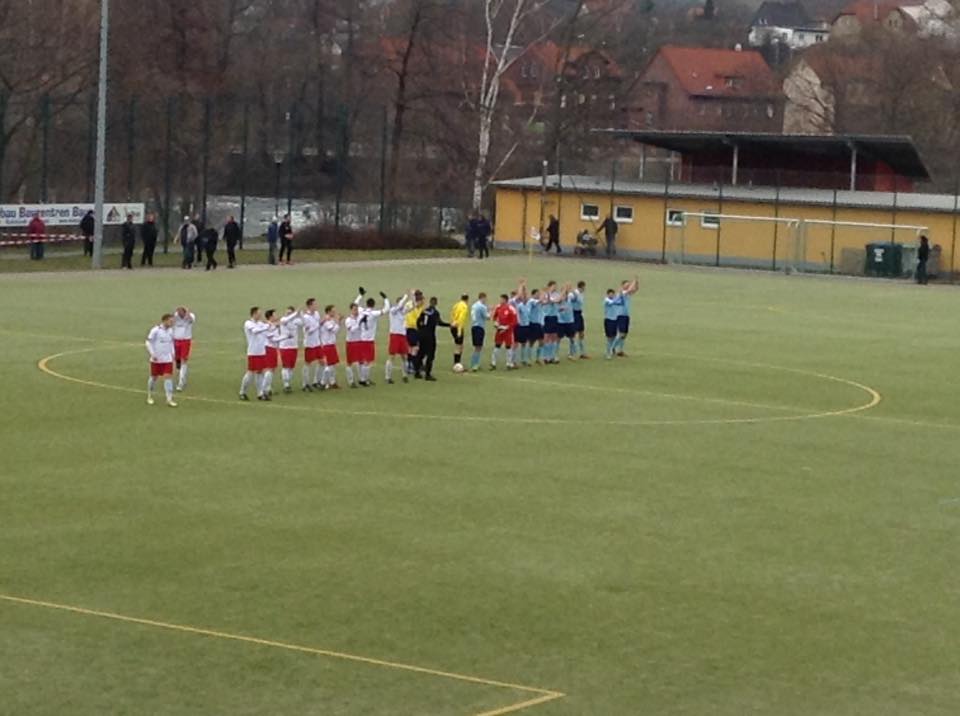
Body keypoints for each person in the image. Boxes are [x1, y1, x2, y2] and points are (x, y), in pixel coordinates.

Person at [356, 288, 389, 387]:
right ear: (373, 305)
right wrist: (386, 298)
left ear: (366, 304)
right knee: (368, 361)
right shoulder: (374, 313)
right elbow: (386, 310)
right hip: (369, 340)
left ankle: (362, 378)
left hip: (361, 339)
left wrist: (360, 295)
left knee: (362, 360)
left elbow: (355, 304)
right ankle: (365, 380)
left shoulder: (361, 310)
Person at [145, 313, 178, 407]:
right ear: (164, 321)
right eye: (170, 321)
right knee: (154, 377)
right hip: (156, 359)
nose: (172, 323)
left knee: (168, 378)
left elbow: (171, 342)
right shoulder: (156, 330)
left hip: (167, 359)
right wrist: (153, 354)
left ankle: (169, 399)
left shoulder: (171, 331)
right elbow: (148, 342)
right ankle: (149, 396)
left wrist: (173, 353)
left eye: (172, 321)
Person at [240, 307, 271, 401]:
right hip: (253, 352)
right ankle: (242, 392)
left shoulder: (260, 323)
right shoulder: (248, 323)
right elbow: (255, 331)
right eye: (259, 313)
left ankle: (260, 393)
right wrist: (267, 326)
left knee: (260, 372)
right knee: (250, 373)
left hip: (261, 351)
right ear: (254, 314)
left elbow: (266, 333)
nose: (260, 315)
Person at [416, 296, 450, 381]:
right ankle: (427, 374)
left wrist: (420, 330)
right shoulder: (435, 313)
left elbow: (418, 322)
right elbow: (439, 323)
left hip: (422, 335)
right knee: (430, 355)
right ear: (436, 303)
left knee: (420, 353)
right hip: (430, 336)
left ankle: (417, 372)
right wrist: (449, 325)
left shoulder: (423, 311)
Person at [387, 291, 414, 384]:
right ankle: (388, 377)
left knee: (404, 357)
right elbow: (400, 305)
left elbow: (412, 307)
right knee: (392, 356)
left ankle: (404, 375)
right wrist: (406, 296)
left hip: (402, 336)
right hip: (394, 335)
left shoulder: (403, 312)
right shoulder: (393, 310)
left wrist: (412, 296)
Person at [490, 294, 518, 370]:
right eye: (500, 299)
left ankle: (509, 363)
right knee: (497, 346)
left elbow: (515, 321)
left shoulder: (511, 308)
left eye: (501, 299)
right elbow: (495, 317)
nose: (500, 301)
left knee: (508, 347)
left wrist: (507, 327)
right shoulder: (498, 307)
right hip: (499, 330)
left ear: (505, 300)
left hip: (508, 331)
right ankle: (493, 363)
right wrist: (496, 323)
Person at [279, 306, 302, 393]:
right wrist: (295, 313)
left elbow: (304, 323)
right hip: (285, 347)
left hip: (294, 346)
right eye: (287, 313)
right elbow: (286, 320)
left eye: (290, 313)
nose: (288, 314)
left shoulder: (296, 321)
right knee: (285, 366)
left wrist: (301, 314)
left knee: (291, 367)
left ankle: (288, 383)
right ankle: (286, 384)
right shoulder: (283, 320)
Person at [614, 276, 639, 357]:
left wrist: (637, 282)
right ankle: (612, 348)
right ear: (622, 285)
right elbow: (630, 290)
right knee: (621, 333)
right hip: (620, 315)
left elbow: (634, 290)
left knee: (624, 334)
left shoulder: (627, 294)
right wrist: (634, 281)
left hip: (626, 315)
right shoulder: (621, 292)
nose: (628, 286)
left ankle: (620, 351)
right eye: (626, 285)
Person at [301, 298, 323, 391]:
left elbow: (317, 325)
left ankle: (316, 381)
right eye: (314, 304)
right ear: (309, 306)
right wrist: (318, 324)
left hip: (317, 342)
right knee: (308, 363)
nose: (316, 306)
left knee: (322, 361)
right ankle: (305, 384)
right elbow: (308, 331)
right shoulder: (305, 317)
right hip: (309, 343)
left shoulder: (317, 314)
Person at [172, 306, 196, 392]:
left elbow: (191, 319)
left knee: (184, 360)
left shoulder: (190, 316)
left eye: (181, 313)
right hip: (176, 340)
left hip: (185, 340)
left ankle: (180, 383)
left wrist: (187, 313)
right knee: (177, 361)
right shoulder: (176, 316)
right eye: (178, 313)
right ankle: (182, 376)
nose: (179, 315)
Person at [320, 306, 342, 390]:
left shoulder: (331, 320)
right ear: (328, 312)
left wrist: (337, 322)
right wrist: (339, 321)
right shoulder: (327, 321)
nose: (334, 313)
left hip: (332, 345)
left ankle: (332, 382)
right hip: (327, 346)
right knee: (328, 366)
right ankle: (323, 383)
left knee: (333, 365)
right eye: (333, 311)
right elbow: (333, 330)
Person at [405, 290, 426, 378]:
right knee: (414, 348)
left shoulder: (421, 305)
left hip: (417, 329)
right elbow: (412, 307)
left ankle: (416, 364)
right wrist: (413, 297)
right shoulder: (410, 304)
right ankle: (411, 365)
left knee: (416, 348)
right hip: (410, 328)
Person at [344, 303, 364, 388]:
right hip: (351, 342)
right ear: (351, 310)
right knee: (350, 362)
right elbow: (351, 330)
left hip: (359, 341)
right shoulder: (348, 320)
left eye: (357, 309)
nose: (356, 311)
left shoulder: (359, 318)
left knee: (361, 361)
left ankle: (361, 379)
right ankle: (351, 381)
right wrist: (359, 324)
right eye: (354, 310)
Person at [541, 280, 561, 364]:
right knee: (546, 336)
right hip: (547, 317)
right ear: (549, 286)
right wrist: (548, 294)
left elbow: (558, 300)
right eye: (553, 286)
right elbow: (545, 301)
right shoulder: (544, 294)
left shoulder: (556, 294)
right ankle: (546, 356)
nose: (555, 287)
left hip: (554, 317)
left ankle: (552, 356)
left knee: (554, 336)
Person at [262, 309, 281, 398]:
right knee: (270, 369)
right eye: (275, 315)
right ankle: (264, 388)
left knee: (272, 369)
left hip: (272, 348)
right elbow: (273, 338)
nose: (276, 316)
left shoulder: (271, 325)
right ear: (270, 317)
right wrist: (285, 337)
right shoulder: (268, 326)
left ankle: (268, 387)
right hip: (269, 348)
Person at [469, 292, 490, 372]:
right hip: (479, 327)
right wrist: (490, 311)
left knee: (476, 346)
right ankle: (475, 364)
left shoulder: (474, 305)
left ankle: (474, 363)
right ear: (483, 297)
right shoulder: (482, 306)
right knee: (478, 347)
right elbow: (487, 317)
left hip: (474, 327)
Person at [512, 283, 531, 366]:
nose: (524, 296)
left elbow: (527, 296)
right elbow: (519, 296)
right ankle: (513, 360)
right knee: (516, 343)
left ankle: (523, 359)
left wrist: (524, 288)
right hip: (519, 326)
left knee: (524, 342)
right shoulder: (517, 304)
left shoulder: (527, 304)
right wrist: (521, 286)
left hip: (526, 325)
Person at [557, 283, 577, 361]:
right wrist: (561, 309)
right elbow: (557, 305)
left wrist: (571, 289)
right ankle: (555, 355)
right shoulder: (558, 298)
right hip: (561, 321)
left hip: (570, 321)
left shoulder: (569, 297)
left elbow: (575, 297)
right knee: (558, 338)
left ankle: (571, 354)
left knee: (572, 338)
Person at [449, 293, 469, 367]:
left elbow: (452, 313)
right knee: (459, 346)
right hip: (458, 327)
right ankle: (457, 364)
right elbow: (461, 319)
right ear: (467, 299)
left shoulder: (456, 305)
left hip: (453, 326)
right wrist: (459, 331)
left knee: (459, 345)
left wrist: (452, 322)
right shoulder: (464, 307)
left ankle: (457, 363)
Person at [603, 289, 624, 359]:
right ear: (608, 294)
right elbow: (612, 303)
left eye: (612, 294)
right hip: (608, 320)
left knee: (614, 336)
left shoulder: (615, 299)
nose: (611, 295)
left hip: (615, 320)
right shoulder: (606, 300)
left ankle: (611, 350)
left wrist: (621, 296)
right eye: (610, 294)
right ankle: (608, 353)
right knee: (609, 338)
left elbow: (621, 303)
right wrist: (618, 296)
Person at [526, 288, 545, 364]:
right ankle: (528, 358)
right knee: (532, 341)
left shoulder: (538, 302)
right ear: (533, 294)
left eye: (539, 294)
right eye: (537, 294)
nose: (538, 295)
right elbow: (540, 301)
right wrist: (544, 293)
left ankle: (538, 358)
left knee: (541, 341)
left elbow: (544, 302)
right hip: (533, 324)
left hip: (539, 324)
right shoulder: (531, 301)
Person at [572, 280, 588, 359]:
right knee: (574, 333)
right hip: (574, 313)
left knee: (581, 333)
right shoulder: (575, 293)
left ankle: (582, 352)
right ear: (582, 286)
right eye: (584, 286)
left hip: (579, 313)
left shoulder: (581, 294)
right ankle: (572, 352)